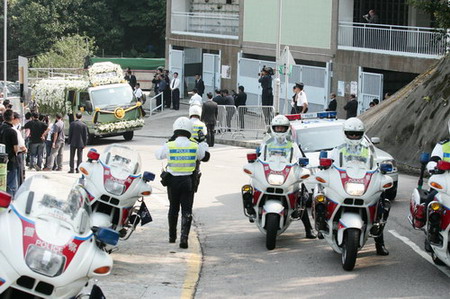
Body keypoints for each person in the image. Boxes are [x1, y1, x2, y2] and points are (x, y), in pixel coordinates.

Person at [329, 118, 389, 255]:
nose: (354, 136)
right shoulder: (338, 149)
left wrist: (381, 172)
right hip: (345, 182)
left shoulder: (368, 150)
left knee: (382, 202)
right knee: (323, 194)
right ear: (345, 133)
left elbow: (375, 166)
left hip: (362, 182)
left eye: (357, 134)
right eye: (351, 133)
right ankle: (323, 223)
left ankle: (379, 243)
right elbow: (331, 165)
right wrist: (325, 166)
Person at [258, 115, 316, 239]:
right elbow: (259, 158)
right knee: (251, 187)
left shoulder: (292, 145)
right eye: (277, 128)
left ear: (287, 129)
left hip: (287, 176)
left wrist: (302, 166)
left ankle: (308, 229)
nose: (279, 130)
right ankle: (253, 210)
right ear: (273, 128)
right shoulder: (266, 144)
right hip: (271, 174)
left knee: (302, 196)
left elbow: (301, 159)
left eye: (282, 128)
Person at [155, 117, 210, 249]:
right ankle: (184, 239)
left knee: (173, 208)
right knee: (187, 210)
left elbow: (157, 155)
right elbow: (206, 157)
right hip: (188, 181)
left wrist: (168, 142)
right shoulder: (194, 145)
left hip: (172, 182)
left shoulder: (170, 145)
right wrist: (203, 142)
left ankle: (172, 236)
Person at [0, 109, 19, 196]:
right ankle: (10, 204)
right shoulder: (12, 131)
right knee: (11, 185)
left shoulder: (1, 128)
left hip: (1, 160)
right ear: (12, 118)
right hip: (11, 160)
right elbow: (16, 148)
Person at [12, 112, 27, 187]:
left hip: (14, 154)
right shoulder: (14, 130)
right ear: (14, 119)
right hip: (18, 154)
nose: (19, 121)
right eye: (18, 119)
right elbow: (20, 145)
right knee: (18, 175)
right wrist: (24, 149)